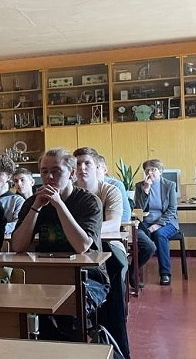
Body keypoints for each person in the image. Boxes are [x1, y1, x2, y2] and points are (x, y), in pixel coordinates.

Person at [11, 148, 108, 341]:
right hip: (47, 275)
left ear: (71, 173)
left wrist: (59, 204)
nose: (49, 177)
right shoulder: (33, 202)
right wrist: (36, 207)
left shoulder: (89, 202)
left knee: (67, 313)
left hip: (87, 277)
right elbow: (18, 246)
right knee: (20, 307)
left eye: (56, 171)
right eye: (44, 172)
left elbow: (82, 246)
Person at [74, 147, 130, 359]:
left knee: (113, 267)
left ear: (97, 167)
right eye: (78, 164)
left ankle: (114, 340)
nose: (82, 168)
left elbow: (114, 224)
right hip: (80, 248)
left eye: (87, 163)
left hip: (111, 246)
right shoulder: (70, 192)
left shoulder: (110, 190)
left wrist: (83, 231)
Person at [134, 159, 178, 286]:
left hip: (167, 222)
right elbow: (138, 209)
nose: (150, 172)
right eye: (147, 170)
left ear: (160, 172)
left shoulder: (169, 185)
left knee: (160, 234)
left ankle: (165, 273)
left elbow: (172, 209)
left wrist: (157, 225)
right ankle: (135, 274)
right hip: (146, 222)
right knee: (137, 235)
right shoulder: (140, 186)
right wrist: (146, 190)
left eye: (153, 169)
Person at [98, 155, 132, 223]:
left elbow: (126, 215)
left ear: (105, 170)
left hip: (111, 227)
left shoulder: (116, 185)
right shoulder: (78, 185)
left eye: (97, 167)